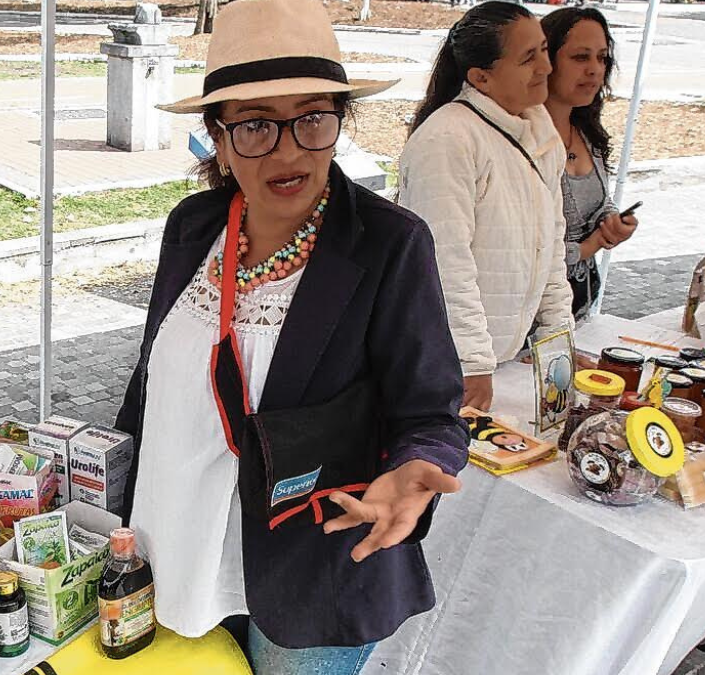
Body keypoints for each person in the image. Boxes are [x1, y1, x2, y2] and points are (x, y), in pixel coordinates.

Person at [113, 0, 470, 672]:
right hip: (175, 550)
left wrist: (418, 466)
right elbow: (149, 384)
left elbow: (431, 411)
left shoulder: (390, 245)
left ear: (341, 121)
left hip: (311, 578)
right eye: (254, 125)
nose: (287, 150)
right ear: (216, 138)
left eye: (312, 118)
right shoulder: (192, 227)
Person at [398, 2, 574, 412]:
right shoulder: (448, 139)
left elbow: (551, 251)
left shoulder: (540, 133)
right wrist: (473, 361)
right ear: (481, 77)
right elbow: (445, 260)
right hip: (448, 366)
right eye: (528, 58)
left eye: (545, 50)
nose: (546, 67)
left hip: (501, 361)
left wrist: (559, 341)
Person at [542, 7, 637, 320]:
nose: (595, 70)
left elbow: (596, 204)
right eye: (581, 57)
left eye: (602, 58)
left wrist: (613, 222)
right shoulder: (523, 140)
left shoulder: (587, 131)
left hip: (579, 309)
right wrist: (590, 245)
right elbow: (525, 246)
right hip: (528, 321)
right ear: (546, 60)